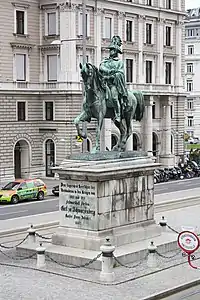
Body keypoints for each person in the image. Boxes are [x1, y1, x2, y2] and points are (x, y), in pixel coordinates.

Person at [99, 36, 128, 123]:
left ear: (116, 51)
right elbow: (101, 67)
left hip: (113, 84)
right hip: (103, 83)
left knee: (114, 97)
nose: (111, 51)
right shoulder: (105, 61)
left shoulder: (119, 62)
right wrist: (109, 71)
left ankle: (118, 114)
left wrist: (111, 76)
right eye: (110, 49)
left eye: (113, 50)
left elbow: (120, 73)